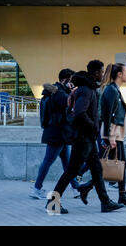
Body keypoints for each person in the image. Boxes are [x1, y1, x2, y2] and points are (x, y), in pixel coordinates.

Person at [47, 60, 124, 214]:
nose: (102, 75)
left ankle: (105, 202)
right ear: (95, 73)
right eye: (101, 72)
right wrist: (94, 126)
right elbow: (80, 113)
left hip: (86, 137)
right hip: (83, 138)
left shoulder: (87, 88)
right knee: (71, 171)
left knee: (96, 170)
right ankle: (52, 203)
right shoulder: (87, 90)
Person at [30, 69, 79, 199]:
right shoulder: (59, 93)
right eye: (72, 80)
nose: (73, 83)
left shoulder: (58, 91)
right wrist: (72, 91)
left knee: (67, 163)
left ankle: (76, 188)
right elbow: (69, 104)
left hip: (60, 133)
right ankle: (36, 188)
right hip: (57, 133)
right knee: (48, 161)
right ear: (66, 80)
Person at [99, 63, 126, 207]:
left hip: (116, 133)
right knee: (107, 165)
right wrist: (109, 136)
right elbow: (107, 114)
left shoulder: (115, 89)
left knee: (120, 164)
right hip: (112, 133)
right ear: (119, 75)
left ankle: (122, 195)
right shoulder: (111, 90)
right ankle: (88, 187)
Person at [77, 63, 119, 190]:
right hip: (100, 125)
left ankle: (102, 188)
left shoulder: (102, 88)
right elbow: (84, 112)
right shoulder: (105, 89)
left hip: (99, 124)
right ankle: (81, 175)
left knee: (99, 155)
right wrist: (95, 125)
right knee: (101, 154)